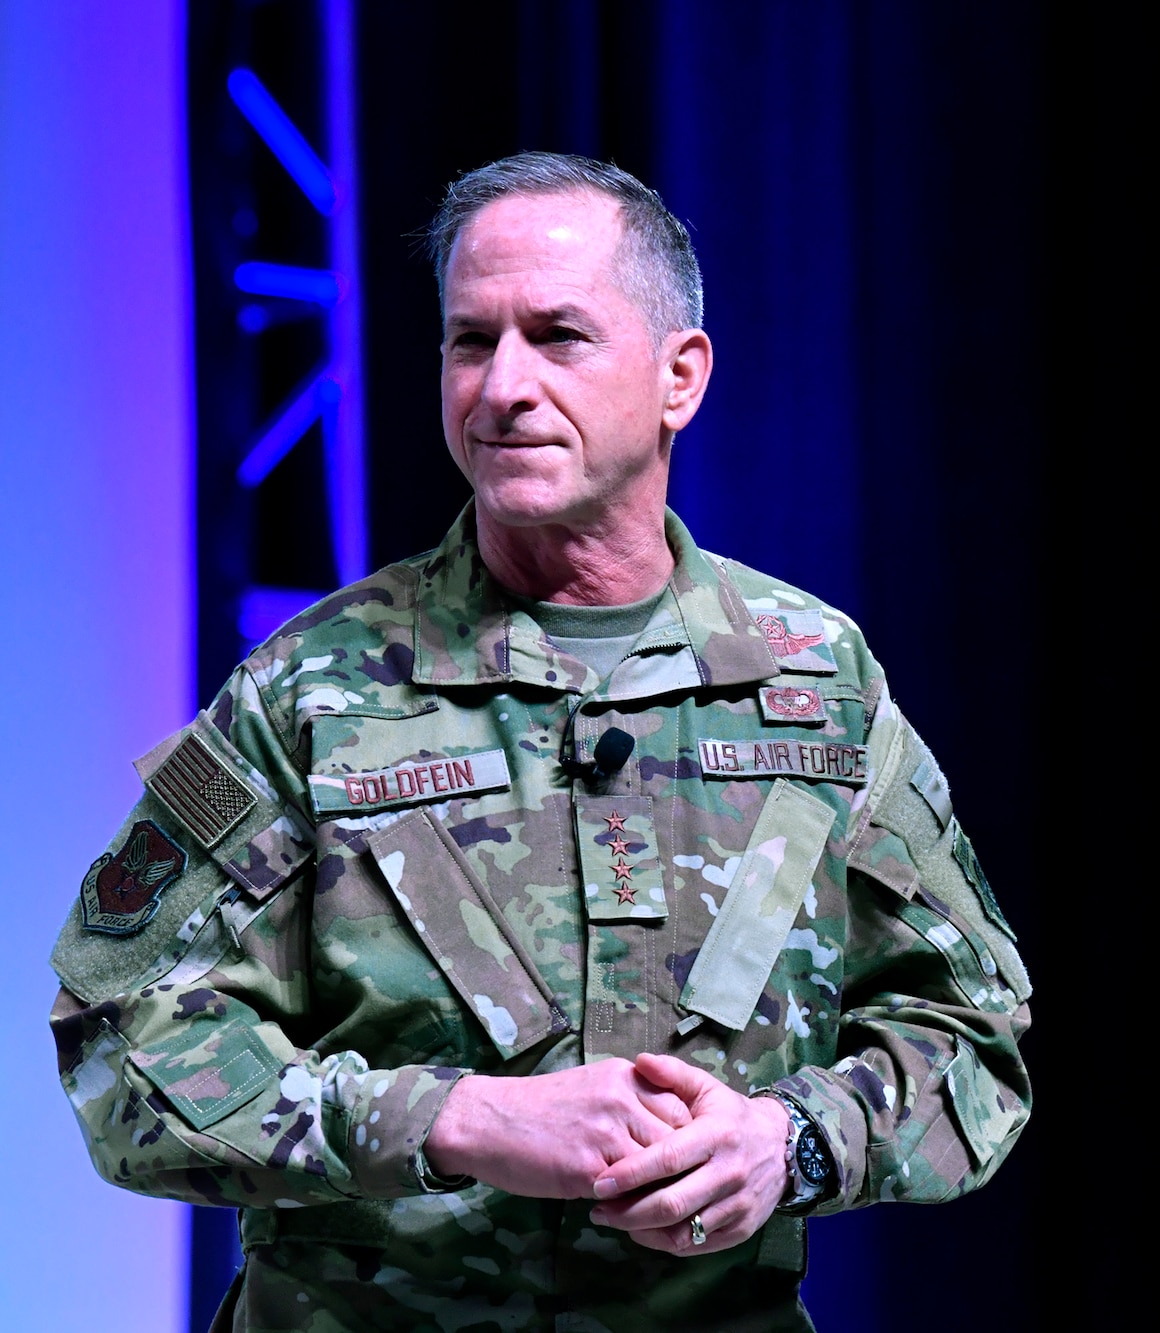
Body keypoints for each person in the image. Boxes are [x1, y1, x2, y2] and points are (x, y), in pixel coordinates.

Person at [47, 151, 1032, 1332]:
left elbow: (974, 1036)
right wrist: (451, 1123)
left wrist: (792, 1140)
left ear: (680, 378)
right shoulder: (309, 686)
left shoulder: (814, 677)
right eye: (471, 340)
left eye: (557, 335)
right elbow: (119, 1034)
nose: (500, 385)